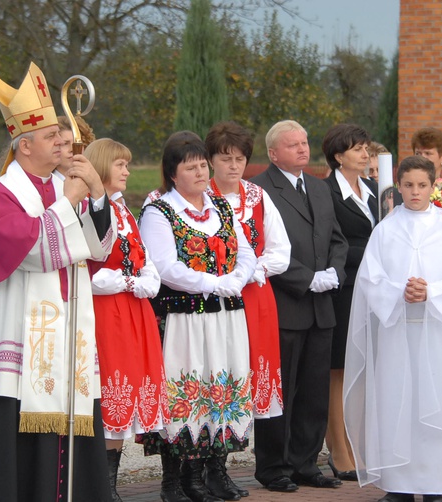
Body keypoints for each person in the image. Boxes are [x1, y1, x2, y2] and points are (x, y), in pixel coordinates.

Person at [0, 62, 115, 501]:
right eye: (52, 137)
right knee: (21, 450)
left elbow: (97, 247)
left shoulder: (60, 186)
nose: (61, 144)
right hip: (21, 345)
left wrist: (98, 196)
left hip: (68, 342)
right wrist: (69, 200)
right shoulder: (1, 196)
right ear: (24, 145)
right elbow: (32, 251)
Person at [343, 155, 442, 502]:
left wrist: (431, 291)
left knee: (435, 405)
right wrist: (400, 291)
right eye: (408, 185)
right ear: (398, 185)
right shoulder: (386, 229)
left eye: (422, 185)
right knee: (396, 403)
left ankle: (435, 484)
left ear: (433, 186)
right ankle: (399, 486)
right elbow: (370, 278)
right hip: (397, 331)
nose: (415, 192)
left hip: (436, 331)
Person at [138, 131, 257, 502]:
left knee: (220, 387)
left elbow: (246, 252)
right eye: (191, 168)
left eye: (203, 165)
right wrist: (212, 282)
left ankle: (214, 474)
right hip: (184, 317)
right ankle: (175, 481)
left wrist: (236, 278)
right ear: (173, 174)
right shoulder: (160, 211)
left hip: (225, 315)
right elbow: (165, 266)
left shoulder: (220, 207)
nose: (201, 173)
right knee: (187, 390)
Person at [251, 119, 348, 492]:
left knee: (313, 391)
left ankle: (306, 462)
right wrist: (305, 278)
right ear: (274, 153)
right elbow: (261, 247)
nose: (303, 150)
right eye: (293, 145)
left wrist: (333, 272)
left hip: (321, 306)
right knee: (281, 391)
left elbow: (337, 239)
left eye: (305, 143)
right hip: (285, 304)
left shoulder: (320, 189)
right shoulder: (260, 190)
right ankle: (274, 466)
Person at [204, 121, 291, 499]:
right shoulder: (198, 197)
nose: (234, 166)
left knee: (257, 374)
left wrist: (253, 269)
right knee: (220, 374)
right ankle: (212, 468)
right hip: (215, 298)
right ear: (210, 161)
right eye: (225, 159)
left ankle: (269, 467)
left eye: (240, 159)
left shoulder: (256, 196)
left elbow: (281, 249)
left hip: (255, 296)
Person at [84, 138, 168, 502]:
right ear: (102, 165)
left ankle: (109, 485)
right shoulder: (89, 208)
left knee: (128, 395)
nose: (127, 171)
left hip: (133, 312)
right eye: (120, 164)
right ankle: (99, 485)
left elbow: (146, 260)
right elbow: (95, 269)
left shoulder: (124, 211)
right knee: (110, 396)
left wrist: (146, 279)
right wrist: (131, 281)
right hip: (107, 314)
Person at [321, 123, 378, 482]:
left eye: (366, 148)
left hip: (374, 292)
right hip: (344, 290)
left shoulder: (375, 189)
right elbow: (332, 242)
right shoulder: (325, 191)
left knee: (365, 370)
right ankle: (338, 449)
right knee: (339, 370)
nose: (365, 154)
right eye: (357, 148)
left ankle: (359, 442)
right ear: (339, 156)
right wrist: (375, 253)